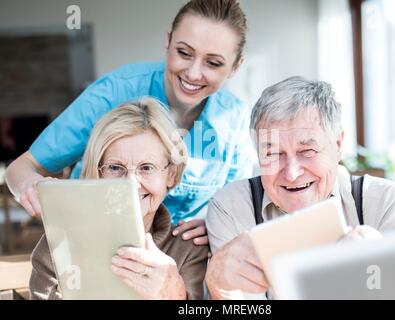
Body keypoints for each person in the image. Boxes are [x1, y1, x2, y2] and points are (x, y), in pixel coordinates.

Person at [5, 0, 256, 246]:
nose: (192, 73)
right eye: (184, 53)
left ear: (235, 66)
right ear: (168, 41)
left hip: (179, 263)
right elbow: (22, 168)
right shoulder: (115, 91)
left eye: (213, 63)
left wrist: (215, 223)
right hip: (92, 247)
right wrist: (31, 186)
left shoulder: (234, 121)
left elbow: (236, 208)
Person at [204, 76, 395, 299]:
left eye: (307, 152)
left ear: (337, 145)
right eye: (273, 154)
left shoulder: (385, 202)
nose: (292, 173)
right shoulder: (230, 207)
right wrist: (219, 288)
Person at [30, 98, 209, 300]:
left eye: (147, 167)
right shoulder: (59, 242)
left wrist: (173, 295)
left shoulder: (189, 249)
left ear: (171, 174)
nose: (131, 183)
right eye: (115, 168)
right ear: (98, 173)